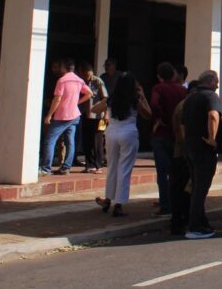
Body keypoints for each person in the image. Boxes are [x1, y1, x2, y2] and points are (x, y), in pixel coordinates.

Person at [94, 73, 149, 217]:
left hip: (111, 133)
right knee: (124, 168)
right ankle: (118, 205)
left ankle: (108, 199)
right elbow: (148, 114)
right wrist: (143, 97)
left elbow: (94, 109)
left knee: (112, 167)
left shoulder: (111, 100)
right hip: (129, 133)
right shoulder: (134, 100)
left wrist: (106, 106)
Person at [181, 70, 222, 240]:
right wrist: (212, 139)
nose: (218, 85)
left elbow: (182, 124)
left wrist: (187, 141)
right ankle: (195, 226)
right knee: (201, 188)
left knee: (196, 186)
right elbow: (213, 116)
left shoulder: (190, 98)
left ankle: (200, 221)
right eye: (217, 81)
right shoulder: (210, 96)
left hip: (191, 147)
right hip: (204, 149)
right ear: (211, 81)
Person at [40, 58, 92, 175]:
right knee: (70, 141)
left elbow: (57, 99)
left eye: (61, 66)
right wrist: (76, 102)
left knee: (50, 141)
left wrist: (49, 115)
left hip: (62, 116)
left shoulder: (62, 81)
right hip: (74, 115)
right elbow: (89, 93)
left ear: (64, 67)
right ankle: (66, 167)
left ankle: (45, 168)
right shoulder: (79, 80)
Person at [150, 62, 187, 216]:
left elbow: (154, 103)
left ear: (159, 76)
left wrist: (159, 119)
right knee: (176, 171)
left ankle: (165, 205)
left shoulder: (158, 88)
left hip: (162, 134)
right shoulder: (182, 90)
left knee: (162, 172)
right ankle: (177, 203)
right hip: (177, 134)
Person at [168, 79, 197, 236]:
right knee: (182, 190)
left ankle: (182, 219)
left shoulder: (184, 105)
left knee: (182, 189)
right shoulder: (186, 107)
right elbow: (181, 131)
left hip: (182, 153)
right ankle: (179, 220)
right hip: (183, 154)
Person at [77, 61, 108, 174]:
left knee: (97, 141)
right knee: (87, 140)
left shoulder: (98, 81)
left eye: (87, 74)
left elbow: (105, 98)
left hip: (98, 116)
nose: (86, 76)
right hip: (85, 114)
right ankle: (89, 165)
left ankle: (98, 165)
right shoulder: (81, 82)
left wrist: (106, 114)